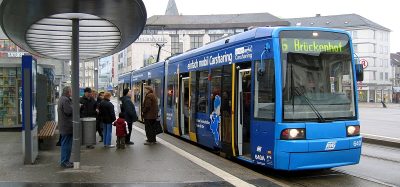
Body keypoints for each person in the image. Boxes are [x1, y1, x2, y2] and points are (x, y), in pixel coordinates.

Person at [57, 86, 73, 168]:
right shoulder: (65, 100)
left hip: (64, 125)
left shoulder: (61, 99)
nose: (72, 93)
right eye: (71, 91)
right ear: (68, 92)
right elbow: (68, 111)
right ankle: (64, 161)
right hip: (66, 125)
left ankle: (66, 160)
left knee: (66, 143)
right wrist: (76, 107)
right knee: (66, 144)